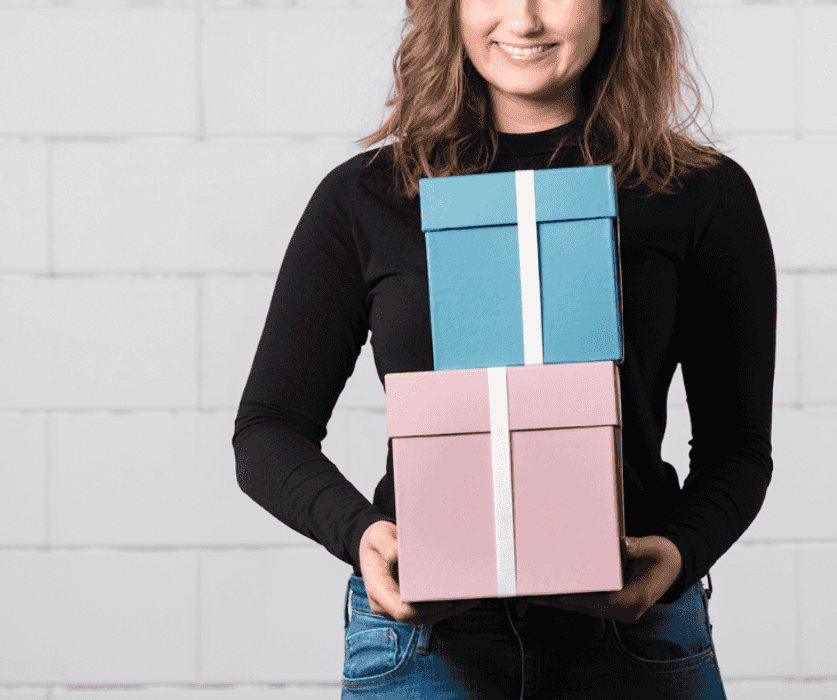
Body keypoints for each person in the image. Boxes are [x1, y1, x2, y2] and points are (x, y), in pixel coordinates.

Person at [233, 0, 776, 695]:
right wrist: (364, 535)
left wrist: (673, 556)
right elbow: (268, 430)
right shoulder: (367, 197)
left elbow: (737, 447)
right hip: (424, 644)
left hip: (634, 642)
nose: (523, 20)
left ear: (611, 8)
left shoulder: (697, 191)